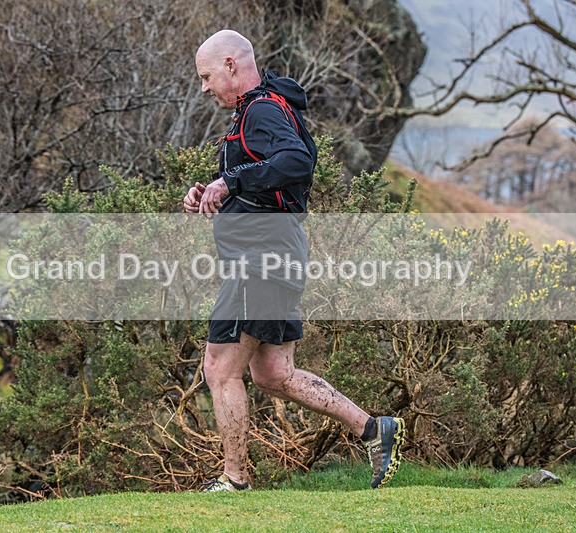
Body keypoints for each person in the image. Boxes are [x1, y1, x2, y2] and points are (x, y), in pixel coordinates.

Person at [183, 29, 405, 492]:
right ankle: (372, 429)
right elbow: (266, 180)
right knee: (273, 374)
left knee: (220, 368)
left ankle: (234, 480)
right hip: (279, 253)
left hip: (261, 258)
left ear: (230, 65)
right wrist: (212, 191)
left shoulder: (262, 110)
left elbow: (297, 163)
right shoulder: (261, 109)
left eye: (206, 76)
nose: (204, 88)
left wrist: (231, 183)